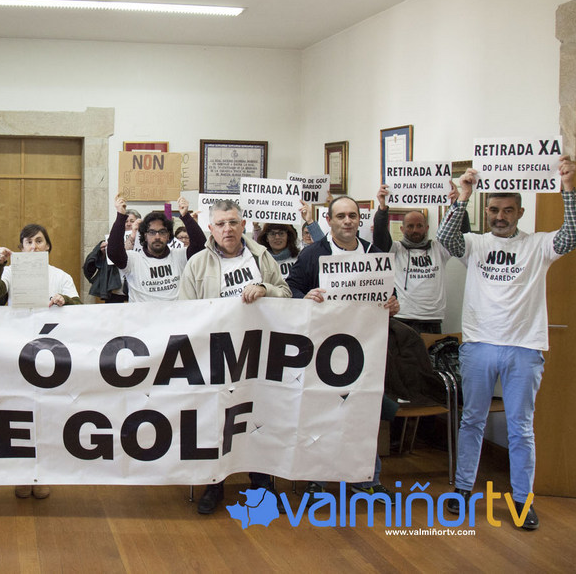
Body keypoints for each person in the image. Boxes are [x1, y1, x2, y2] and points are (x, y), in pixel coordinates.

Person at [438, 157, 576, 530]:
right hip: (479, 345)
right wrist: (463, 196)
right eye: (495, 210)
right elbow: (447, 239)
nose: (500, 216)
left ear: (520, 212)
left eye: (508, 210)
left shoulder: (538, 245)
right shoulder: (475, 243)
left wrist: (567, 187)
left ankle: (522, 500)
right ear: (487, 211)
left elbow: (571, 235)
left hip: (525, 348)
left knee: (521, 427)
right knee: (472, 420)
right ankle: (462, 489)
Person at [177, 199, 291, 514]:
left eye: (232, 222)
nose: (227, 229)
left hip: (257, 354)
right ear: (210, 229)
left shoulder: (262, 256)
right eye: (220, 224)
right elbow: (182, 311)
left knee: (257, 418)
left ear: (242, 225)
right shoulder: (197, 264)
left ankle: (263, 484)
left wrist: (265, 288)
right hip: (215, 355)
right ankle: (214, 485)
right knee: (216, 421)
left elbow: (286, 294)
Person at [286, 195, 400, 503]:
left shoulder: (375, 255)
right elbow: (291, 288)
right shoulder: (313, 254)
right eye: (340, 216)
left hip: (365, 349)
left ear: (360, 220)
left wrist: (393, 305)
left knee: (364, 413)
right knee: (319, 412)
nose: (347, 221)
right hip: (322, 348)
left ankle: (366, 478)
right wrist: (304, 297)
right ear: (329, 221)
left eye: (352, 215)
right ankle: (317, 481)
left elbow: (390, 295)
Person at [0, 223, 80, 499]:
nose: (34, 246)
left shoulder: (60, 276)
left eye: (39, 241)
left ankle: (43, 474)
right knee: (19, 413)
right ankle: (23, 474)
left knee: (47, 415)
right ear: (21, 248)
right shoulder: (10, 272)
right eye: (28, 242)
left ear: (47, 246)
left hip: (51, 354)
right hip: (18, 352)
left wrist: (65, 300)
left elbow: (80, 307)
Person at [373, 184, 453, 334]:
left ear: (427, 228)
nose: (415, 230)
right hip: (403, 317)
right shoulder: (395, 249)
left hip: (432, 319)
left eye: (419, 226)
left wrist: (457, 204)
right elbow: (380, 235)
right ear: (402, 229)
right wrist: (382, 209)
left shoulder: (439, 248)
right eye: (410, 226)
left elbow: (460, 236)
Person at [107, 196, 205, 301]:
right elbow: (113, 252)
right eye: (152, 232)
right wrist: (121, 215)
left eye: (162, 232)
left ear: (168, 235)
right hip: (143, 311)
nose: (157, 237)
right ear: (145, 235)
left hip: (175, 311)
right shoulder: (134, 260)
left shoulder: (179, 256)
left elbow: (200, 246)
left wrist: (186, 216)